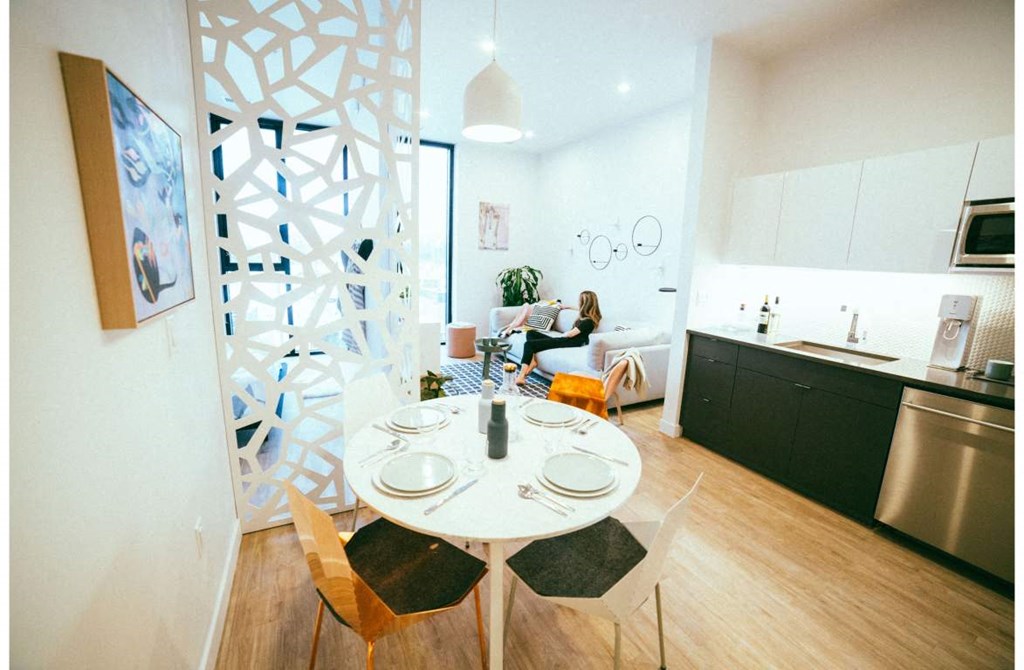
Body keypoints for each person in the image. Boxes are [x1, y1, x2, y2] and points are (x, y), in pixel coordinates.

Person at [515, 290, 602, 386]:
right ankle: (532, 361)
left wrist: (559, 337)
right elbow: (579, 309)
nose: (578, 302)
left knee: (529, 344)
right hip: (567, 339)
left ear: (585, 304)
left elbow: (571, 334)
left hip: (570, 342)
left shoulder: (588, 321)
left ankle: (521, 376)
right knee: (531, 333)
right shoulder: (587, 316)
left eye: (580, 301)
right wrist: (567, 307)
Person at [498, 299, 563, 337]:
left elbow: (562, 306)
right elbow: (541, 303)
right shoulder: (544, 304)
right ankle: (508, 329)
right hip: (529, 309)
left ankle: (508, 329)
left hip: (529, 313)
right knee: (518, 320)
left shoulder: (553, 306)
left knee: (517, 322)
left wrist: (571, 307)